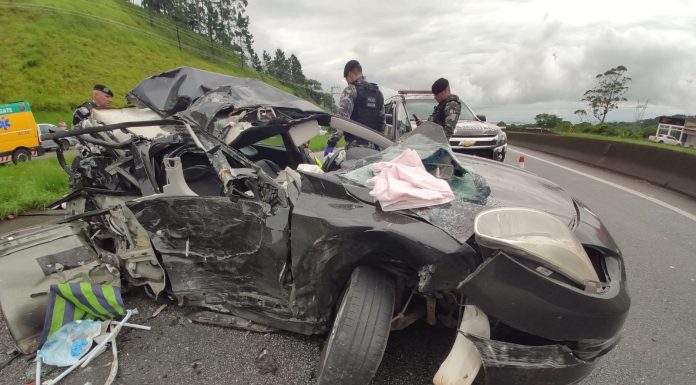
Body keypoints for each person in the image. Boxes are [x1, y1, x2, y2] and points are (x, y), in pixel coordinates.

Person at [324, 60, 385, 155]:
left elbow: (342, 122)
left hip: (355, 150)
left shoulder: (351, 90)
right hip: (375, 152)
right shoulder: (378, 93)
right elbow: (382, 125)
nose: (347, 82)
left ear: (349, 74)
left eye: (346, 79)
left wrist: (330, 146)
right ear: (361, 72)